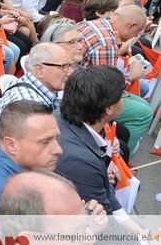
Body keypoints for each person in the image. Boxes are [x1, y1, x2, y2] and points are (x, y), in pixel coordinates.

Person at [53, 66, 131, 215]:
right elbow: (106, 220)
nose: (123, 99)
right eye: (121, 96)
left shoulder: (62, 115)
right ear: (108, 109)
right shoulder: (82, 162)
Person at [76, 4, 152, 151]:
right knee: (143, 113)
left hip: (80, 82)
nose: (133, 37)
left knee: (143, 103)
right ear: (131, 25)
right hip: (81, 95)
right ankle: (117, 160)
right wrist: (131, 75)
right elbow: (105, 88)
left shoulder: (97, 24)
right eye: (136, 33)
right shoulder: (106, 41)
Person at [0, 43, 74, 123]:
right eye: (64, 67)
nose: (70, 72)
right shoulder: (27, 106)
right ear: (40, 70)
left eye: (70, 66)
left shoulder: (41, 90)